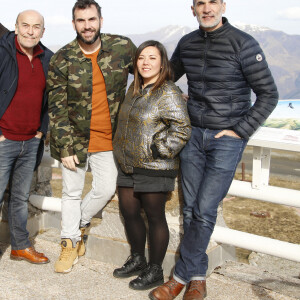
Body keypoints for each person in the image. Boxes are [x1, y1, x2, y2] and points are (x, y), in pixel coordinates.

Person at [150, 1, 278, 299]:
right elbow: (167, 78)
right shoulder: (188, 42)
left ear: (222, 5)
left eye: (212, 2)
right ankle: (197, 278)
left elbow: (269, 94)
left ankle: (179, 277)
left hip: (226, 140)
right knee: (191, 209)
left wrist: (239, 131)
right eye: (201, 3)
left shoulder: (243, 44)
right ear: (192, 8)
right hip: (193, 136)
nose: (207, 9)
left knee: (205, 210)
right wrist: (177, 101)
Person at [47, 0, 136, 274]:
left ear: (100, 20)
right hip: (74, 141)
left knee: (106, 188)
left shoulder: (122, 48)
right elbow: (57, 107)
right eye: (81, 20)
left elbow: (148, 74)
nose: (87, 26)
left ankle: (78, 226)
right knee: (71, 193)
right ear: (74, 23)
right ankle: (68, 244)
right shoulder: (62, 58)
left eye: (91, 19)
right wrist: (64, 148)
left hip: (110, 139)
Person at [113, 40, 191, 291]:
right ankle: (138, 259)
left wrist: (159, 149)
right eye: (141, 58)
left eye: (152, 58)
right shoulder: (134, 89)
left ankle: (155, 270)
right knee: (130, 213)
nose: (145, 63)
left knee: (155, 217)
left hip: (155, 165)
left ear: (162, 63)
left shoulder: (167, 91)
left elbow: (182, 128)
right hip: (128, 164)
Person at [0, 10, 53, 264]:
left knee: (20, 198)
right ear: (16, 27)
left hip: (30, 142)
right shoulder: (3, 52)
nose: (30, 31)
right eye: (26, 26)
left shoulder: (48, 59)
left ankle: (19, 246)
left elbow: (50, 101)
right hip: (4, 140)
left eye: (36, 27)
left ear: (43, 30)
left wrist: (42, 130)